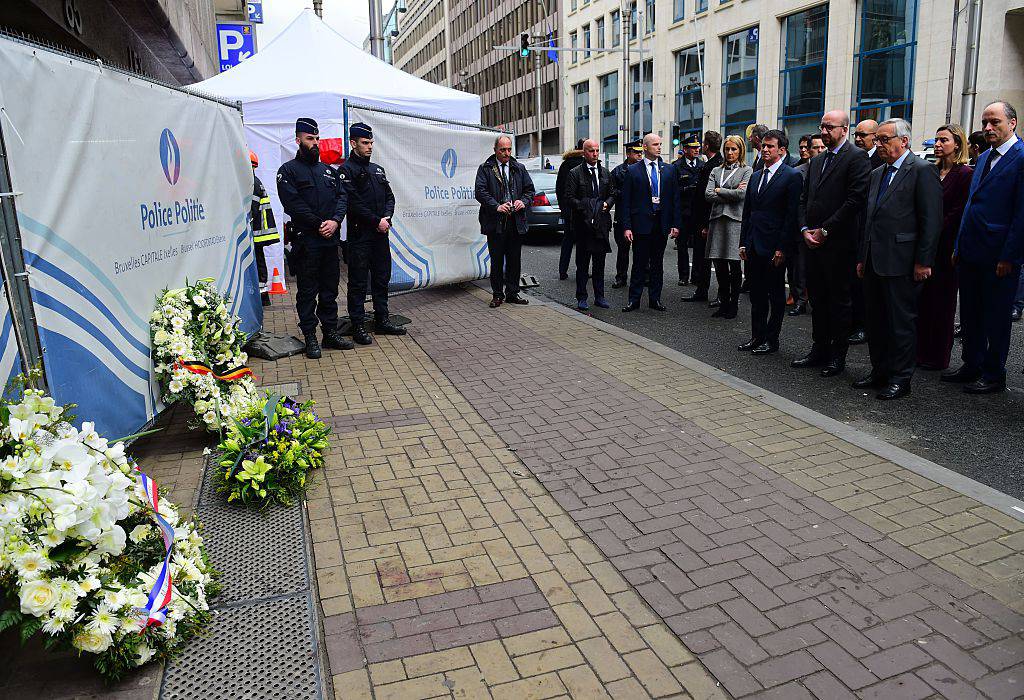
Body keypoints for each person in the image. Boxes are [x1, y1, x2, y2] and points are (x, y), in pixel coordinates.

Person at [854, 119, 942, 399]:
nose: (878, 144)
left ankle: (901, 378)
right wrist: (861, 257)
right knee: (875, 321)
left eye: (883, 139)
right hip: (873, 260)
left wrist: (924, 261)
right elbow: (869, 218)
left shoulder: (922, 170)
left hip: (902, 261)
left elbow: (931, 221)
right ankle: (879, 370)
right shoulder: (878, 173)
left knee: (900, 323)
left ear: (903, 141)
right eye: (876, 139)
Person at [945, 100, 1024, 393]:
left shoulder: (1020, 157)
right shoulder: (984, 158)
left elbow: (1021, 215)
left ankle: (993, 374)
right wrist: (958, 245)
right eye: (985, 123)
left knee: (996, 317)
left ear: (1012, 123)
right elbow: (970, 206)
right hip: (970, 252)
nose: (988, 128)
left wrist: (1009, 256)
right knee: (971, 313)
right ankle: (972, 364)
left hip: (999, 256)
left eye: (995, 122)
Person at [792, 110, 871, 378]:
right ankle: (819, 348)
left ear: (844, 129)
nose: (824, 132)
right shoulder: (817, 161)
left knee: (839, 301)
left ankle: (838, 355)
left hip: (839, 244)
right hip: (812, 242)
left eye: (829, 127)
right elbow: (804, 199)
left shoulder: (857, 158)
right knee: (818, 298)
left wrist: (825, 230)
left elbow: (855, 200)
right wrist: (804, 229)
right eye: (822, 127)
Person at [276, 117, 353, 359]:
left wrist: (336, 221)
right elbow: (293, 204)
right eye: (310, 139)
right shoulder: (287, 171)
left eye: (317, 138)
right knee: (308, 291)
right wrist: (319, 223)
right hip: (307, 242)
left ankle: (329, 333)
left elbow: (342, 198)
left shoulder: (329, 171)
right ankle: (310, 335)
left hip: (329, 241)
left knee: (330, 290)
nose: (315, 143)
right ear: (298, 140)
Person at [339, 122, 406, 345]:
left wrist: (385, 218)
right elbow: (354, 203)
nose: (369, 147)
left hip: (380, 235)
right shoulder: (346, 171)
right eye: (365, 143)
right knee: (358, 282)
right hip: (360, 236)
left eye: (371, 143)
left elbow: (390, 197)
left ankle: (382, 319)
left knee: (381, 278)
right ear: (353, 143)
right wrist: (376, 221)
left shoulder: (377, 169)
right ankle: (357, 325)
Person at [738, 130, 802, 355]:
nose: (765, 149)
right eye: (763, 146)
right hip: (754, 244)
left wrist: (782, 248)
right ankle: (757, 336)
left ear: (782, 150)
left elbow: (791, 216)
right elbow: (748, 213)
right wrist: (743, 242)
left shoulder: (791, 176)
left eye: (770, 146)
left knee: (775, 295)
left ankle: (771, 340)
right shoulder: (756, 175)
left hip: (775, 247)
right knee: (756, 295)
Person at [917, 124, 972, 370]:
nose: (938, 145)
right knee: (923, 301)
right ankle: (920, 351)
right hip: (925, 245)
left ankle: (938, 357)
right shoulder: (931, 170)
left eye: (944, 140)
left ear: (957, 144)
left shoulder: (964, 174)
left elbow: (958, 211)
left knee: (943, 303)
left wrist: (933, 228)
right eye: (937, 140)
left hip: (947, 246)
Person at [620, 132, 682, 312]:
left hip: (661, 223)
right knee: (639, 263)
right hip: (641, 224)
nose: (659, 147)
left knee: (657, 264)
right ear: (645, 147)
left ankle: (655, 299)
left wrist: (676, 224)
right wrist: (627, 227)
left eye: (660, 144)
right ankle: (634, 299)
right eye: (655, 144)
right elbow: (626, 202)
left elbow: (674, 199)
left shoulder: (669, 170)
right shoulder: (633, 171)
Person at [475, 135, 536, 308]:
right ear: (495, 150)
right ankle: (497, 294)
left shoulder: (519, 168)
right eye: (503, 150)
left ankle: (512, 293)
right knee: (496, 260)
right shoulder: (485, 168)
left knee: (514, 260)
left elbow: (529, 190)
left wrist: (522, 201)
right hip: (495, 222)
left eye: (509, 149)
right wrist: (496, 206)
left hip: (516, 221)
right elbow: (480, 192)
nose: (507, 153)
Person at [704, 135, 751, 320]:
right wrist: (727, 193)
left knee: (734, 266)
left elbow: (742, 194)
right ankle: (723, 304)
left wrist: (719, 190)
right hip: (717, 220)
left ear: (740, 151)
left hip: (734, 221)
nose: (730, 153)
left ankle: (733, 306)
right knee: (720, 265)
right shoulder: (716, 170)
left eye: (734, 149)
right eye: (727, 149)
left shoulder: (747, 170)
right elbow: (707, 194)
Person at [565, 139, 616, 310]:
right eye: (591, 151)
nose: (595, 154)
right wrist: (588, 207)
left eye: (597, 150)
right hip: (583, 224)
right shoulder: (575, 173)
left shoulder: (605, 173)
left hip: (601, 224)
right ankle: (582, 296)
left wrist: (606, 204)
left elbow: (612, 193)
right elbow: (569, 197)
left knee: (599, 263)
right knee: (583, 263)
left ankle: (599, 296)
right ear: (584, 153)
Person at [683, 131, 724, 304]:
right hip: (705, 219)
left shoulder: (713, 166)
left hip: (707, 220)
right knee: (704, 257)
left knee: (711, 258)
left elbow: (707, 198)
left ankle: (709, 292)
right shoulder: (713, 163)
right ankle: (702, 289)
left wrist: (705, 224)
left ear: (706, 146)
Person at [788, 135, 826, 317]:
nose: (818, 151)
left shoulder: (832, 169)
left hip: (825, 227)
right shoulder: (799, 171)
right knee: (800, 268)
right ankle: (800, 301)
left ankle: (820, 302)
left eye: (821, 148)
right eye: (814, 148)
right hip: (803, 227)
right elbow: (797, 201)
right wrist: (802, 226)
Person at [611, 140, 644, 288]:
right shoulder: (618, 171)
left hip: (640, 215)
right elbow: (611, 191)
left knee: (642, 249)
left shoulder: (645, 169)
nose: (639, 155)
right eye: (636, 152)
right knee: (623, 249)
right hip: (623, 214)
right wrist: (626, 194)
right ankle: (621, 277)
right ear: (628, 153)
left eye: (640, 152)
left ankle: (643, 277)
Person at [249, 150, 280, 308]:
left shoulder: (251, 183)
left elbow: (251, 210)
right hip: (259, 233)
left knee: (257, 263)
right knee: (260, 262)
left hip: (254, 232)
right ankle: (263, 295)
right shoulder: (255, 181)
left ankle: (261, 297)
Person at [676, 134, 704, 286]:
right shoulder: (676, 166)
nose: (696, 150)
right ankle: (683, 275)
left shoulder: (702, 165)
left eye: (698, 147)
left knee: (699, 247)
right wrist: (686, 188)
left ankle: (696, 275)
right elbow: (673, 191)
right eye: (693, 148)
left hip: (698, 213)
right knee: (682, 246)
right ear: (685, 149)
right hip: (683, 212)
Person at [556, 140, 586, 279]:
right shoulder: (587, 164)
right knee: (583, 242)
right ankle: (582, 270)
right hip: (584, 210)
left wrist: (564, 208)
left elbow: (559, 189)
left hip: (569, 210)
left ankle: (563, 271)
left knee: (567, 241)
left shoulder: (565, 164)